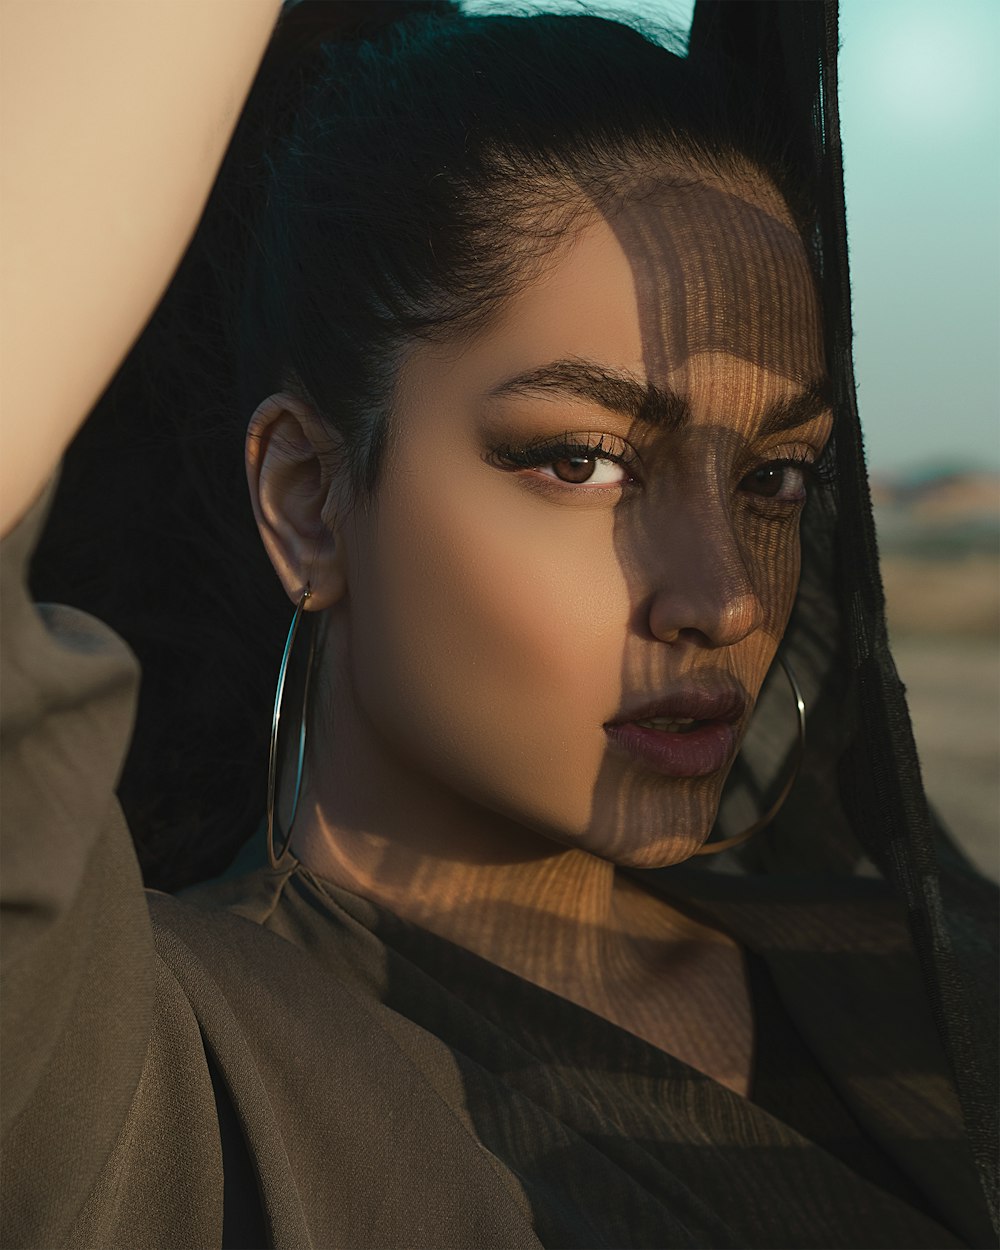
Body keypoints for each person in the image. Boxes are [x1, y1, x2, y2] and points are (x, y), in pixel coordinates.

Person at [2, 1, 997, 1247]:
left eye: (773, 479)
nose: (727, 596)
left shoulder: (928, 970)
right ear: (308, 499)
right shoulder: (147, 1075)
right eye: (581, 461)